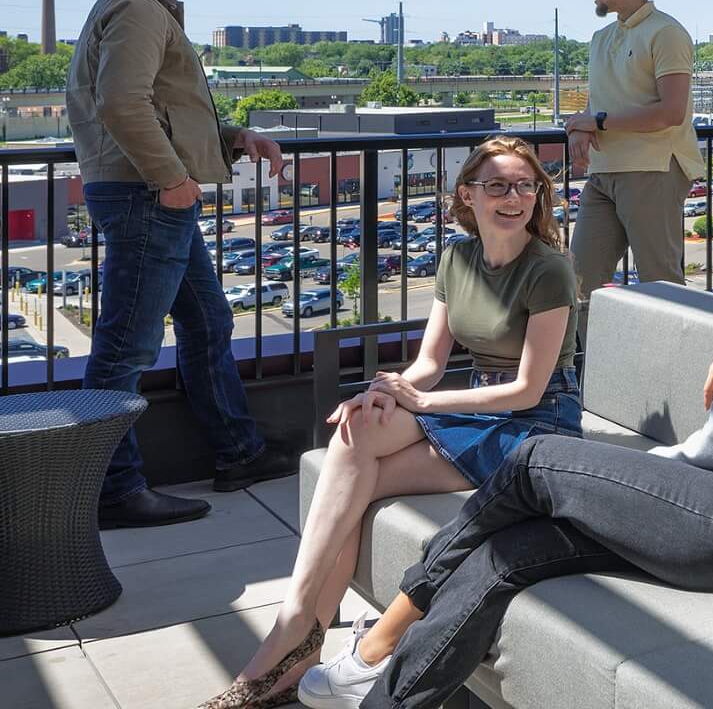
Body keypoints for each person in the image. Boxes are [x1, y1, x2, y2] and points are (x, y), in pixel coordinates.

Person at [298, 157, 713, 709]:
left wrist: (644, 470)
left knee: (536, 461)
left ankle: (383, 636)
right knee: (516, 552)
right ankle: (386, 695)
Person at [203, 136, 580, 709]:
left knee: (361, 476)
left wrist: (421, 404)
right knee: (355, 433)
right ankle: (301, 627)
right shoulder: (457, 257)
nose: (514, 196)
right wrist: (383, 389)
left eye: (527, 185)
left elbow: (528, 389)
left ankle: (292, 635)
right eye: (498, 185)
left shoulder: (549, 269)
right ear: (468, 194)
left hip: (538, 424)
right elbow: (429, 364)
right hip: (482, 406)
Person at [69, 0, 298, 529]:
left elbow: (164, 108)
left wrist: (231, 138)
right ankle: (116, 488)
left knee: (207, 320)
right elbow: (122, 104)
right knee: (125, 350)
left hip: (148, 193)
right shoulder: (138, 9)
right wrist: (171, 178)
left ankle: (240, 452)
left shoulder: (135, 6)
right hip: (147, 195)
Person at [563, 0, 699, 302]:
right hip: (604, 173)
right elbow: (599, 105)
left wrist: (599, 122)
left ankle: (673, 361)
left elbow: (671, 112)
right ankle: (596, 360)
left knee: (661, 283)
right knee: (578, 283)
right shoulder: (600, 38)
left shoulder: (666, 32)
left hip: (652, 170)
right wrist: (580, 128)